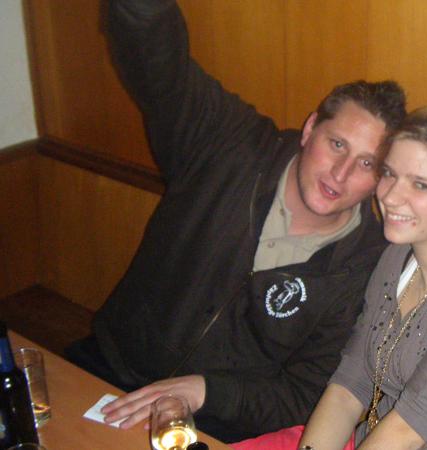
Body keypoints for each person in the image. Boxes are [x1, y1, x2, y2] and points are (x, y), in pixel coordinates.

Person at [65, 0, 406, 443]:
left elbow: (305, 394)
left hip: (218, 426)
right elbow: (159, 66)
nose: (340, 174)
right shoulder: (228, 143)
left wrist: (205, 391)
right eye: (337, 144)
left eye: (366, 163)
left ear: (380, 179)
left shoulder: (365, 269)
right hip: (111, 372)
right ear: (309, 130)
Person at [234, 104, 427, 449]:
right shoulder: (397, 256)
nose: (390, 196)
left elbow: (408, 428)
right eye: (389, 174)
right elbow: (349, 385)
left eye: (421, 185)